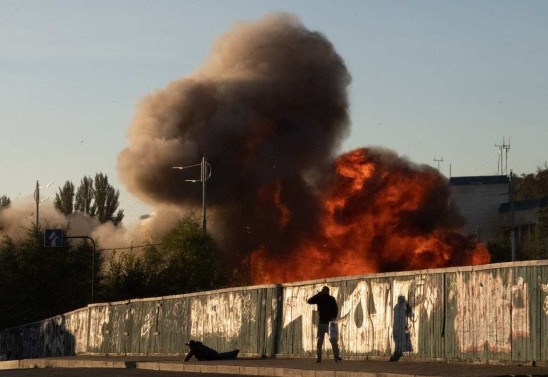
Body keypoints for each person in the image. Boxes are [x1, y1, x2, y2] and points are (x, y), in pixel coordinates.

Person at [307, 286, 342, 363]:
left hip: (330, 323)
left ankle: (336, 357)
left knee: (333, 340)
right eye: (323, 290)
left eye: (325, 290)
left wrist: (333, 317)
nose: (324, 291)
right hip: (322, 323)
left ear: (327, 291)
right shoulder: (319, 298)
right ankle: (319, 358)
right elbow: (309, 301)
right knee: (320, 342)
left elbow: (335, 309)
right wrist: (317, 295)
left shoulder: (331, 299)